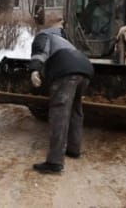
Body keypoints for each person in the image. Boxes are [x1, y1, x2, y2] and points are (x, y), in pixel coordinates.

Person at [29, 21, 94, 174]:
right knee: (76, 110)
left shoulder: (43, 35)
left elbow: (40, 51)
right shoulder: (64, 41)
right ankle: (73, 148)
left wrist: (34, 70)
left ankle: (55, 162)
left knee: (59, 113)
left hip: (67, 73)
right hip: (85, 70)